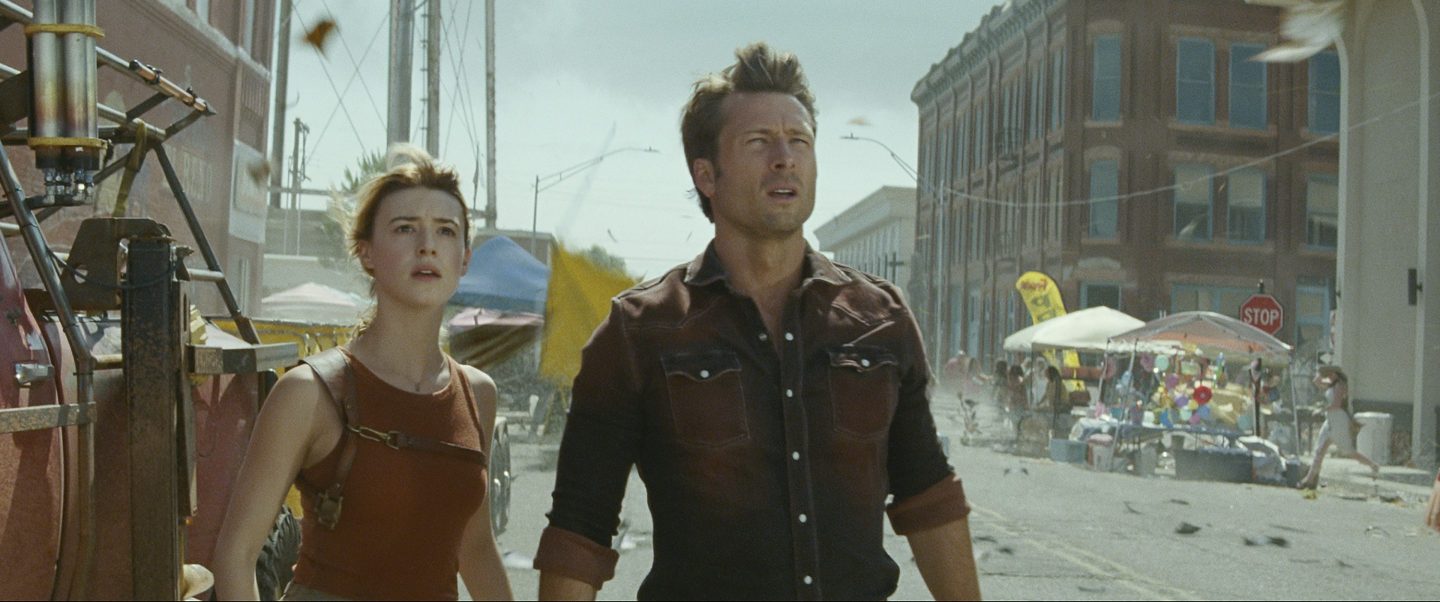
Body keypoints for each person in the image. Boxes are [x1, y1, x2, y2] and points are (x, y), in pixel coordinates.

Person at [533, 42, 981, 600]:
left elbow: (928, 496)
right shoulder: (640, 331)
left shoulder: (879, 318)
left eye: (800, 141)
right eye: (758, 142)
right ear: (706, 175)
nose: (784, 158)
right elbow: (579, 529)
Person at [213, 148, 513, 600]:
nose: (427, 245)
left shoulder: (477, 395)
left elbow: (476, 548)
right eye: (405, 228)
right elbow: (236, 557)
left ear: (465, 259)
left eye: (445, 230)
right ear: (366, 252)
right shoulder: (310, 392)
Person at [1297, 365, 1380, 490]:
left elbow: (1336, 404)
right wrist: (1320, 373)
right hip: (1330, 420)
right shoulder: (1331, 385)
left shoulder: (1340, 385)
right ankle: (1309, 480)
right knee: (1319, 450)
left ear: (1336, 374)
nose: (1328, 377)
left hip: (1339, 421)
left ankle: (1373, 465)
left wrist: (1321, 409)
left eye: (1330, 374)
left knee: (1349, 451)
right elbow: (1316, 382)